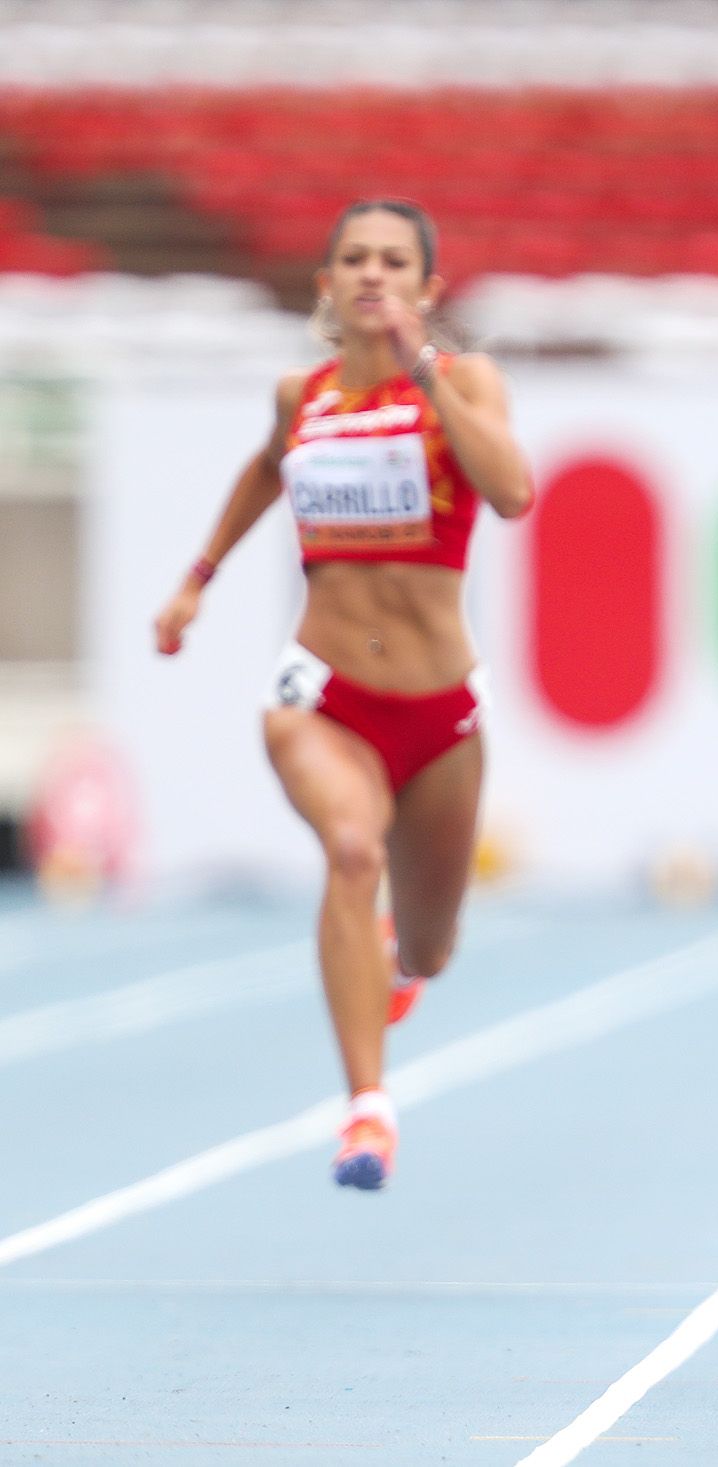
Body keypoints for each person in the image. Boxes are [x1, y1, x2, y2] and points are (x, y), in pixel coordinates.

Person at [154, 200, 533, 1191]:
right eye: (353, 260)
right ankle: (367, 1110)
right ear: (326, 285)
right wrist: (197, 578)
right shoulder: (300, 396)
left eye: (393, 261)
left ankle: (401, 967)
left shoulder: (464, 381)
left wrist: (423, 372)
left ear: (426, 289)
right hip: (321, 693)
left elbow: (512, 491)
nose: (372, 274)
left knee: (434, 947)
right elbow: (259, 473)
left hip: (440, 709)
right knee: (352, 847)